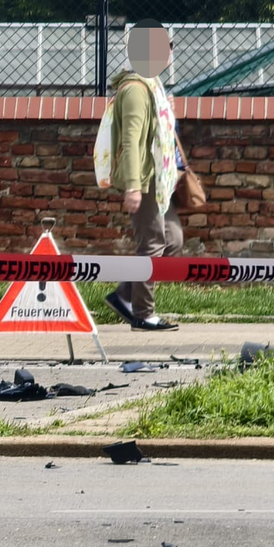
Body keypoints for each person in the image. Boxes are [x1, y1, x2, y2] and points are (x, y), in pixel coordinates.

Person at [96, 20, 184, 331]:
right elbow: (131, 140)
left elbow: (159, 132)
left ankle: (124, 295)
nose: (170, 52)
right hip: (144, 179)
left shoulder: (153, 86)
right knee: (153, 242)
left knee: (173, 240)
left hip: (158, 179)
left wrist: (167, 111)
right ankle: (143, 314)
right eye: (166, 46)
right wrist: (133, 186)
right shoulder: (136, 89)